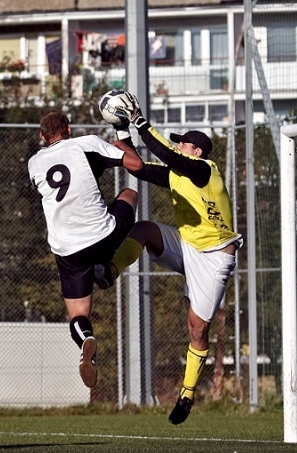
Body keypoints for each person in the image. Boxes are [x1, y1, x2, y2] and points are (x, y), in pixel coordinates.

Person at [98, 94, 241, 424]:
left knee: (197, 329)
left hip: (214, 257)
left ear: (197, 151)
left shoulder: (204, 170)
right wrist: (122, 130)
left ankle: (187, 395)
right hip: (187, 245)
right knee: (144, 229)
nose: (178, 146)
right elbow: (138, 167)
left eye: (183, 143)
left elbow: (167, 155)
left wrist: (141, 122)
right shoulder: (179, 172)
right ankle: (108, 271)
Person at [28, 110, 144, 388]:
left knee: (79, 315)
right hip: (103, 235)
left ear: (42, 136)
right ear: (68, 128)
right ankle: (107, 265)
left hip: (68, 249)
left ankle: (86, 339)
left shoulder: (34, 162)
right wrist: (121, 143)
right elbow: (136, 165)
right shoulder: (87, 143)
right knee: (130, 193)